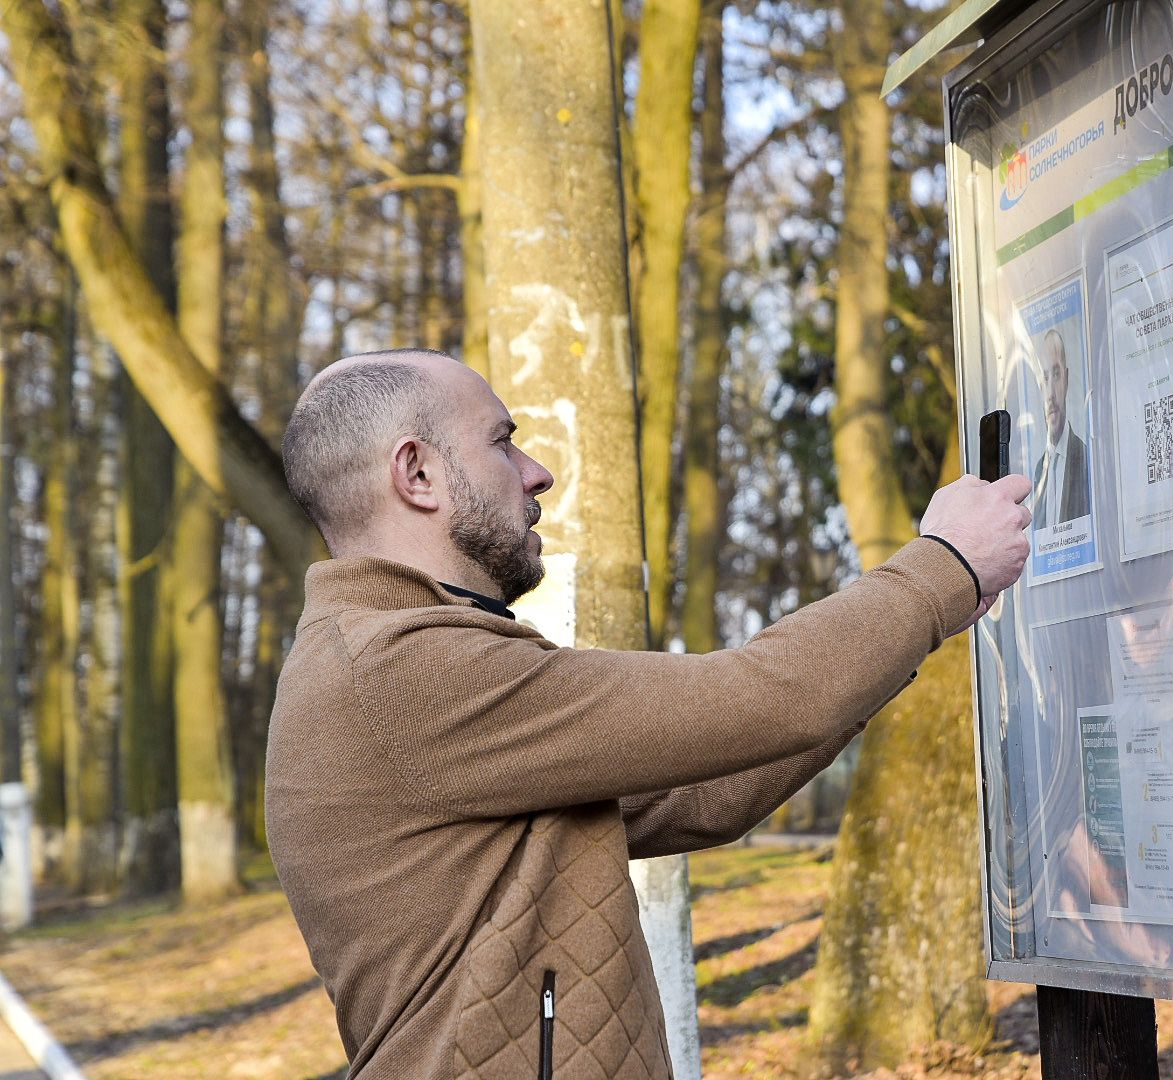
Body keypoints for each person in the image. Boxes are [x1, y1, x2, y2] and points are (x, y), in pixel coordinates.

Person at [264, 348, 1033, 1079]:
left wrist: (896, 643)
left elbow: (699, 797)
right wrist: (942, 568)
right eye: (502, 442)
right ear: (418, 473)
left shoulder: (392, 662)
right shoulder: (403, 671)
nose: (537, 472)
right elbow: (765, 696)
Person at [1033, 327, 1090, 531]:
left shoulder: (1084, 459)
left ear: (1066, 379)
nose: (1050, 393)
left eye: (1056, 374)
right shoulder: (1039, 471)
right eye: (1045, 378)